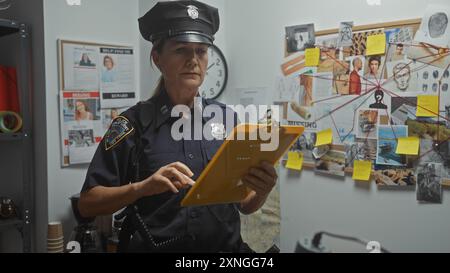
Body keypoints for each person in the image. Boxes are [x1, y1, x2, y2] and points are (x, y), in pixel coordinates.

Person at [78, 0, 277, 253]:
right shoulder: (132, 124)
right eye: (181, 49)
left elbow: (244, 204)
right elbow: (87, 204)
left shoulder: (228, 120)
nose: (193, 60)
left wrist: (262, 190)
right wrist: (142, 188)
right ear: (157, 58)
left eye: (201, 50)